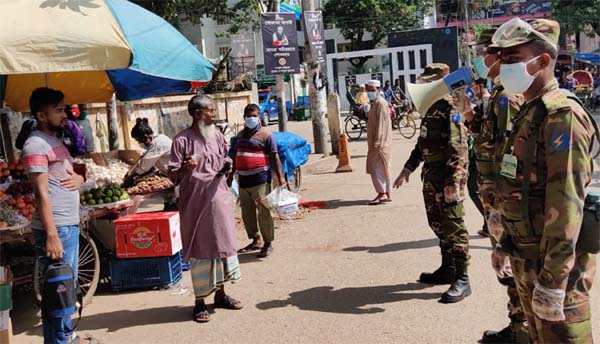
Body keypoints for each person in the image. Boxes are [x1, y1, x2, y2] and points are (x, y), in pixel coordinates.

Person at [490, 18, 596, 343]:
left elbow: (566, 205)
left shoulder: (562, 117)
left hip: (556, 271)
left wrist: (553, 282)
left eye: (513, 59)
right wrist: (503, 241)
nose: (503, 66)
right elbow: (518, 183)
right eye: (502, 58)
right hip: (527, 260)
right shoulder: (529, 112)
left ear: (544, 61)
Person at [465, 28, 528, 343]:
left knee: (514, 267)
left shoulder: (506, 97)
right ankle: (517, 325)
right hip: (493, 195)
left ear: (496, 55)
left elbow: (509, 154)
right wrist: (469, 114)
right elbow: (487, 138)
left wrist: (500, 207)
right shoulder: (497, 93)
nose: (478, 58)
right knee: (510, 269)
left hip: (502, 197)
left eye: (481, 51)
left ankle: (522, 331)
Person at [394, 63, 471, 303]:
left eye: (429, 80)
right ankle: (447, 268)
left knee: (453, 225)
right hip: (431, 175)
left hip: (448, 177)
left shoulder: (451, 108)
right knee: (438, 223)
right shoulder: (431, 108)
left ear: (441, 81)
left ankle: (462, 278)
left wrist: (453, 183)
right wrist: (407, 169)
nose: (424, 84)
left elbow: (459, 148)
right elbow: (422, 144)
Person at [21, 88, 93, 344]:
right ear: (41, 115)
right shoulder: (35, 144)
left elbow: (69, 172)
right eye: (59, 110)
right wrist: (51, 234)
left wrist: (80, 177)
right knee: (56, 289)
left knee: (65, 288)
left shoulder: (56, 141)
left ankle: (67, 336)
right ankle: (59, 341)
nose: (65, 114)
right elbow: (41, 195)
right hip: (57, 229)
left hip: (67, 226)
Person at [168, 95, 242, 323]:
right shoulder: (182, 141)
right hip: (196, 205)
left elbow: (224, 160)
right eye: (211, 111)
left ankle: (220, 295)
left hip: (220, 200)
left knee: (222, 247)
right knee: (201, 251)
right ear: (198, 114)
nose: (215, 114)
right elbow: (173, 175)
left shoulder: (218, 136)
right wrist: (185, 168)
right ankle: (200, 301)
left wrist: (229, 165)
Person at [228, 104, 285, 258]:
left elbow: (275, 156)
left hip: (260, 180)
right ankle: (256, 239)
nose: (251, 118)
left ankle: (268, 243)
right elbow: (235, 157)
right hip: (243, 180)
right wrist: (230, 176)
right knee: (247, 213)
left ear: (259, 117)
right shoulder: (239, 136)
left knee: (264, 212)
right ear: (244, 117)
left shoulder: (266, 135)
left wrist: (280, 178)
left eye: (254, 115)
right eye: (248, 115)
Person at [365, 79, 393, 205]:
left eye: (373, 90)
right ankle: (386, 193)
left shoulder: (381, 104)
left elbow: (381, 124)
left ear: (378, 90)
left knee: (376, 169)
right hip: (378, 142)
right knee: (382, 168)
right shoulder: (375, 103)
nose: (370, 92)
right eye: (369, 90)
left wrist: (377, 141)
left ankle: (382, 193)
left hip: (379, 143)